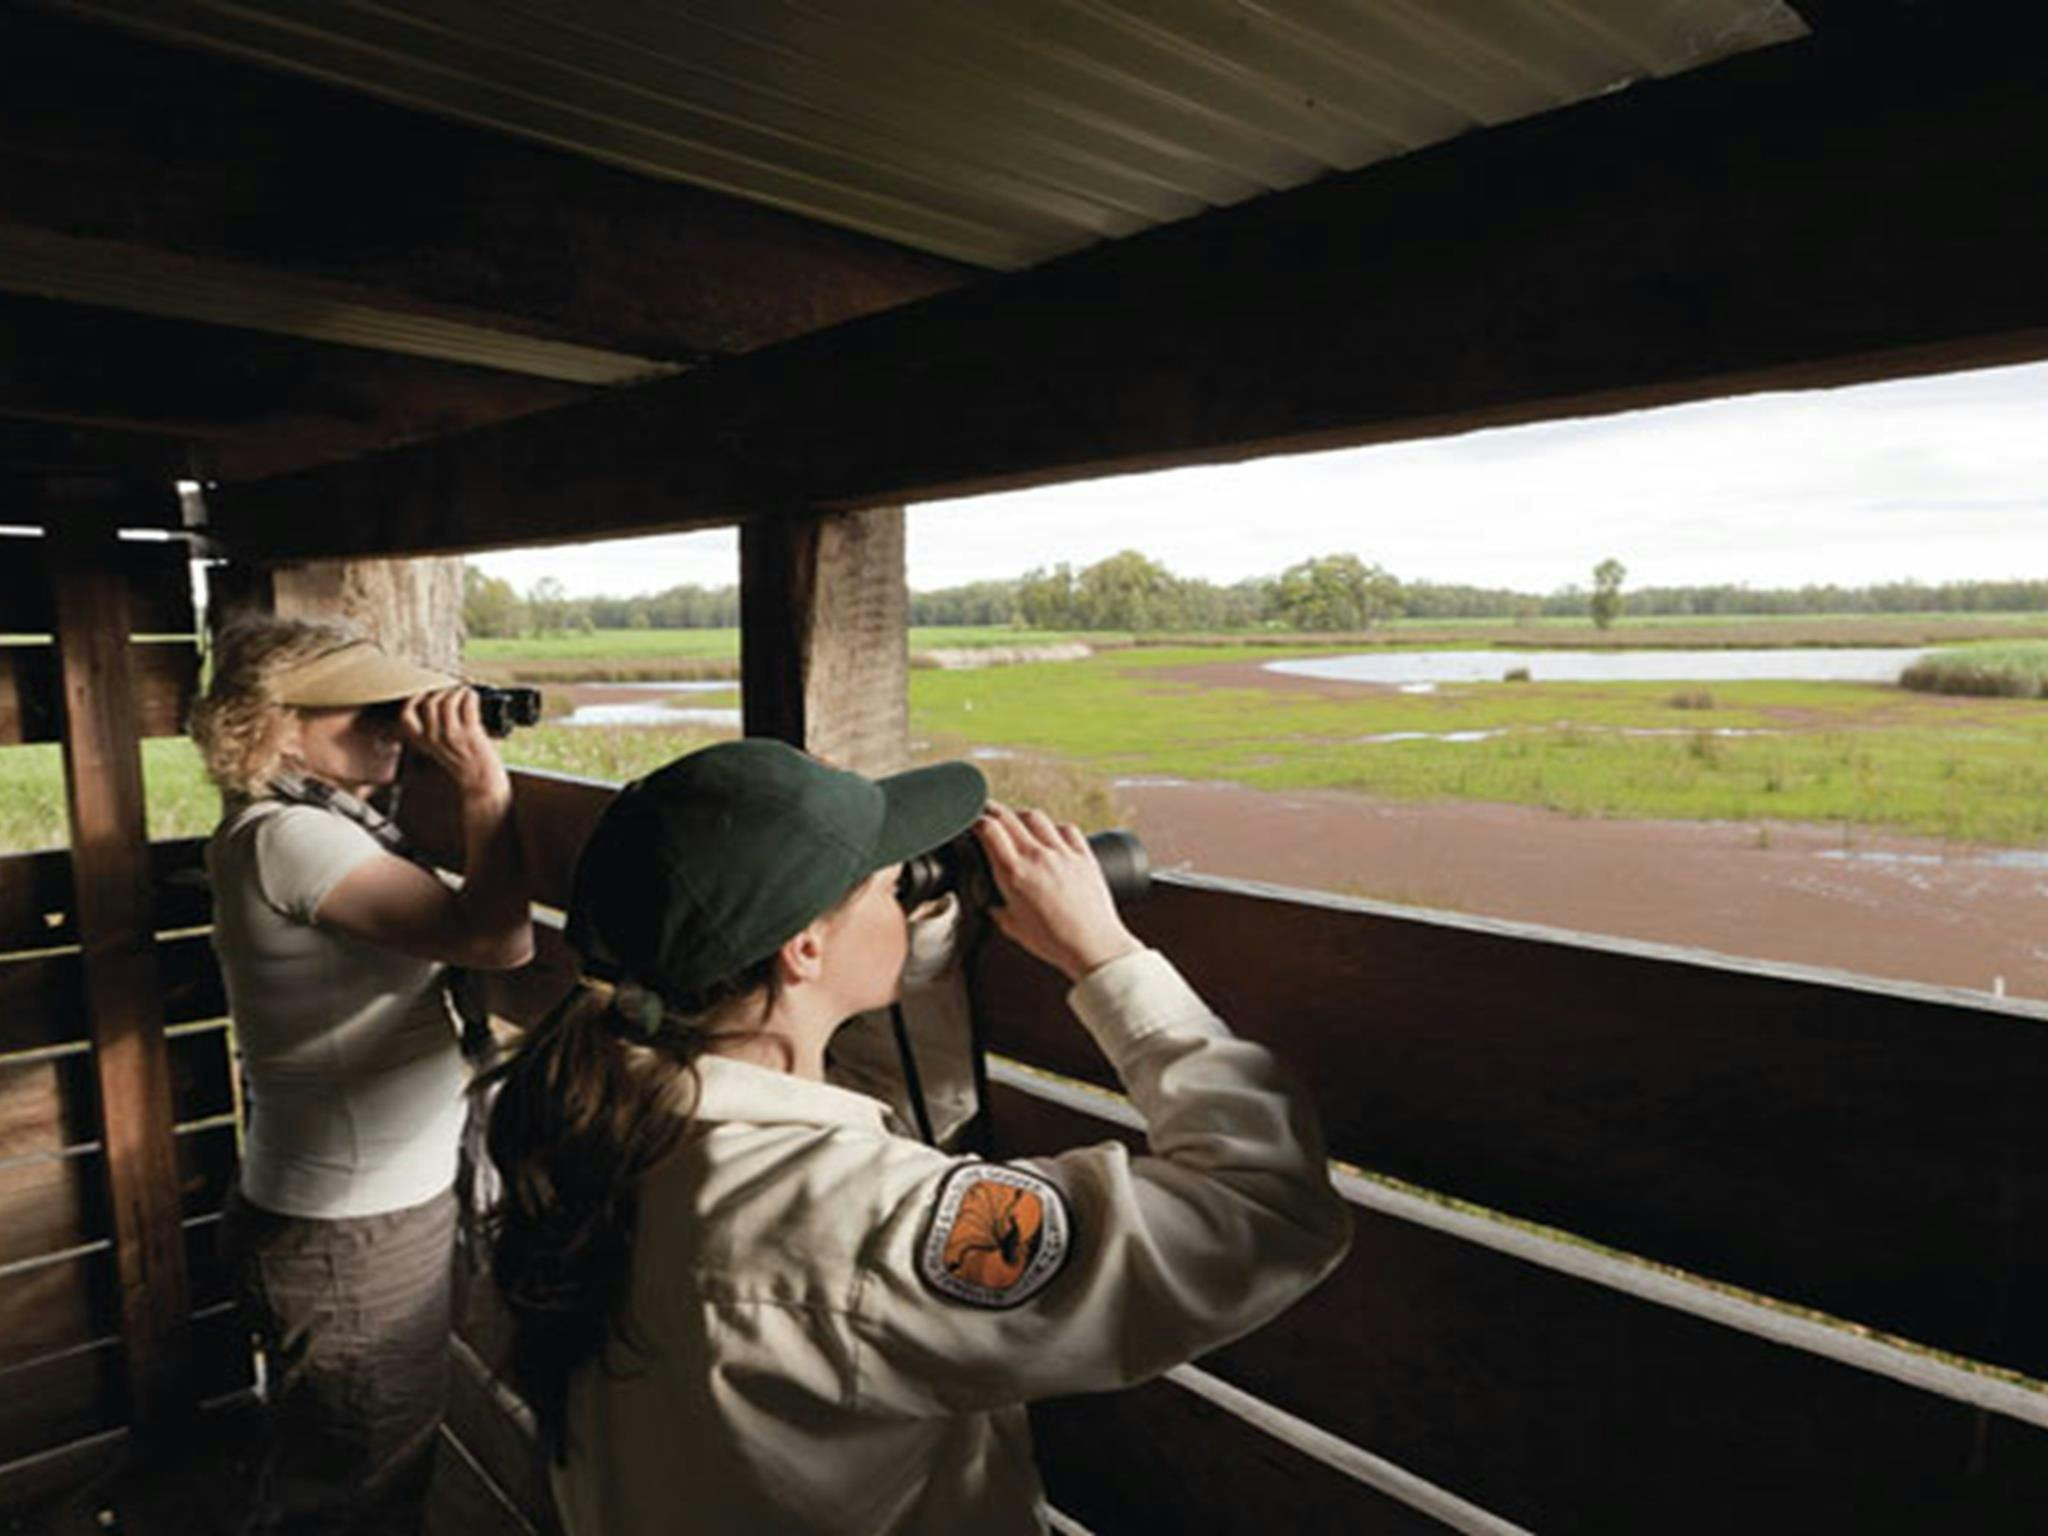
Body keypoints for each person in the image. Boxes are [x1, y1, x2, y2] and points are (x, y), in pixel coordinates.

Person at [483, 738, 1351, 1535]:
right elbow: (1267, 1210)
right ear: (804, 952)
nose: (909, 893)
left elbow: (864, 1121)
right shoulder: (856, 1219)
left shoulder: (602, 1111)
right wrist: (1104, 957)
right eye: (888, 885)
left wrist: (909, 949)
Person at [190, 617, 534, 1535]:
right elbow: (498, 938)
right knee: (362, 1486)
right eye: (365, 710)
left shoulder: (322, 823)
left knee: (342, 1461)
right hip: (351, 1231)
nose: (393, 726)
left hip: (363, 1210)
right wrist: (484, 789)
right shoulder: (290, 839)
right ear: (277, 725)